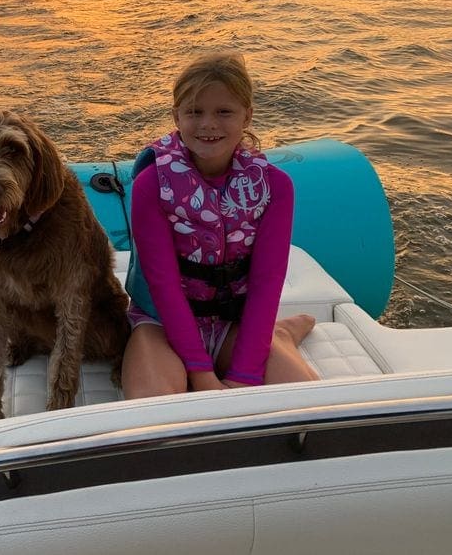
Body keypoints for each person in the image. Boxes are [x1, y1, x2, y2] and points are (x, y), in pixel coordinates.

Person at [122, 52, 318, 398]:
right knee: (155, 413)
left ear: (247, 116)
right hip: (161, 325)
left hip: (233, 321)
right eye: (194, 112)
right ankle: (277, 336)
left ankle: (279, 335)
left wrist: (245, 373)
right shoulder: (151, 185)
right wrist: (201, 375)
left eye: (223, 112)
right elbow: (163, 284)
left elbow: (267, 282)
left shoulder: (275, 188)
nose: (208, 124)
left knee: (305, 400)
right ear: (176, 117)